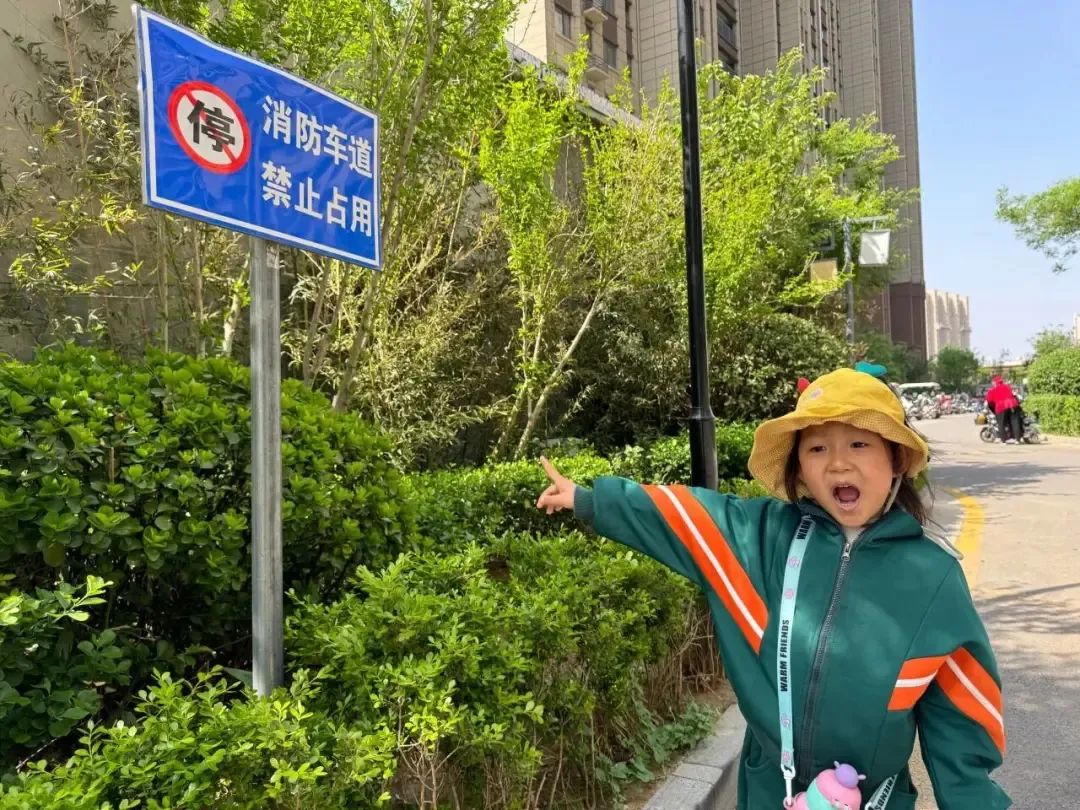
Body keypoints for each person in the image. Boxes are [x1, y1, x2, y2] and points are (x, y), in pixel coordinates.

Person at [536, 367, 1008, 810]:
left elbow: (960, 720)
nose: (838, 463)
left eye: (859, 444)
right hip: (769, 788)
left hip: (873, 798)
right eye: (817, 449)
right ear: (798, 467)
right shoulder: (762, 539)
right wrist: (590, 500)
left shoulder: (932, 576)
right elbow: (684, 516)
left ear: (896, 458)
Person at [985, 375, 1022, 444]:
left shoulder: (992, 390)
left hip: (1001, 407)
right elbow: (1014, 395)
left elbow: (989, 401)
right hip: (1012, 405)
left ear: (994, 382)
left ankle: (1003, 440)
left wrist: (993, 410)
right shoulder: (1007, 387)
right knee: (1015, 422)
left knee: (1001, 424)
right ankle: (1017, 439)